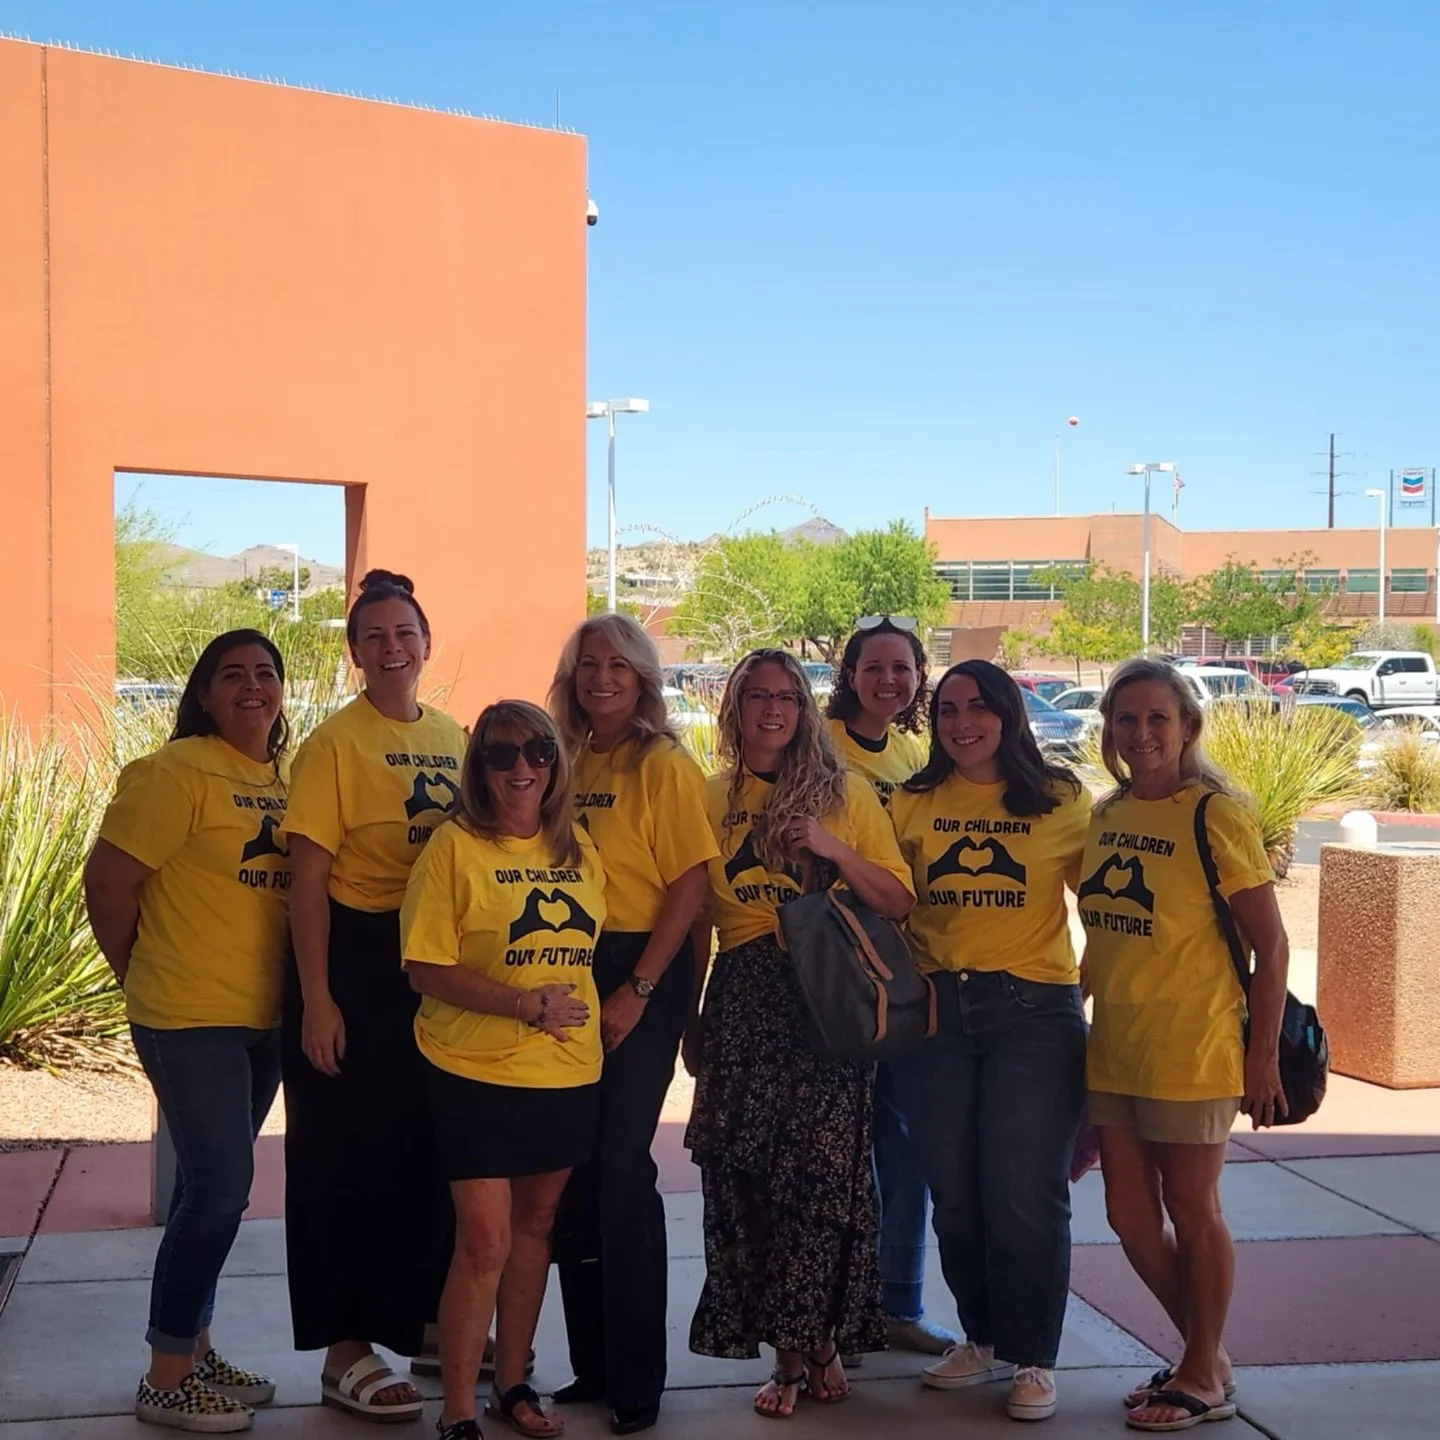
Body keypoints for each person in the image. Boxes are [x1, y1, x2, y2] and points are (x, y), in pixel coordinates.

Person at [686, 648, 915, 1420]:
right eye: (757, 696)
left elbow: (898, 900)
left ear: (805, 709)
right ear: (735, 706)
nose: (773, 710)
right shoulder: (708, 794)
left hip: (824, 1000)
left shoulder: (842, 794)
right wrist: (690, 1014)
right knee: (744, 1177)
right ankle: (803, 1337)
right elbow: (691, 915)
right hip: (743, 995)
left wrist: (830, 846)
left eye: (787, 696)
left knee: (821, 1181)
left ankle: (798, 1348)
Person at [84, 630, 292, 1433]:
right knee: (219, 1191)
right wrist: (136, 973)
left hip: (260, 1018)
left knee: (211, 1194)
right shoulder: (172, 774)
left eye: (265, 674)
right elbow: (108, 882)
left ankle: (195, 1349)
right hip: (188, 1015)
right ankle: (166, 1379)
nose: (252, 687)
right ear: (203, 693)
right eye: (232, 674)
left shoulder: (282, 779)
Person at [1079, 658, 1288, 1434]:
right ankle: (1209, 1355)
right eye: (1126, 720)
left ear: (1187, 727)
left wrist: (1258, 1056)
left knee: (1192, 1210)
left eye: (1157, 719)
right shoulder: (1105, 815)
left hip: (1193, 1047)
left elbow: (1272, 944)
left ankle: (1201, 1368)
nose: (1141, 734)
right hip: (1115, 1048)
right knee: (1132, 1218)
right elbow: (1104, 931)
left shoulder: (1215, 816)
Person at [279, 569, 466, 1423]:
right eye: (375, 636)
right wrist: (318, 998)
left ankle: (425, 1319)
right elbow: (306, 881)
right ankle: (344, 1349)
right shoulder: (333, 745)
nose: (393, 648)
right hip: (352, 959)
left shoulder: (454, 736)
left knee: (423, 1147)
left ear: (426, 644)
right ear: (355, 652)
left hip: (428, 964)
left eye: (406, 633)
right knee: (340, 1158)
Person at [887, 660, 1090, 1424]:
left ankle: (1032, 1354)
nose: (962, 722)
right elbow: (889, 901)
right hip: (936, 1014)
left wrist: (1086, 988)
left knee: (1023, 1190)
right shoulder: (912, 800)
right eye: (947, 710)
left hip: (1032, 1015)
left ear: (1009, 713)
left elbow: (1105, 904)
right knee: (955, 1189)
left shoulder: (1060, 798)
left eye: (979, 707)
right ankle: (981, 1334)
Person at [402, 701, 606, 1440]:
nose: (521, 767)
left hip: (565, 1071)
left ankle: (513, 1385)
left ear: (555, 763)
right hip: (473, 1068)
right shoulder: (453, 849)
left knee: (536, 1229)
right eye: (500, 754)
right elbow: (425, 968)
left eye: (538, 752)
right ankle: (458, 1405)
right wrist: (524, 1004)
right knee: (484, 1241)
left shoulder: (578, 848)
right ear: (478, 767)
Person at [546, 615, 718, 1436]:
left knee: (619, 1168)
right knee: (571, 1169)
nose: (602, 678)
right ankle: (593, 1364)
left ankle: (639, 1383)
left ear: (645, 677)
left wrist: (642, 989)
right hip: (567, 963)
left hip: (644, 964)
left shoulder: (664, 764)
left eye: (619, 664)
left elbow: (690, 889)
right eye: (588, 665)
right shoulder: (563, 755)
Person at [823, 616, 952, 1358]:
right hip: (836, 973)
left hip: (904, 972)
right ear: (850, 675)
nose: (888, 681)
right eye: (874, 668)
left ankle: (899, 1302)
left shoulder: (914, 754)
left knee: (904, 1148)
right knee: (839, 1153)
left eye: (901, 669)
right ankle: (836, 1308)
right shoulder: (818, 745)